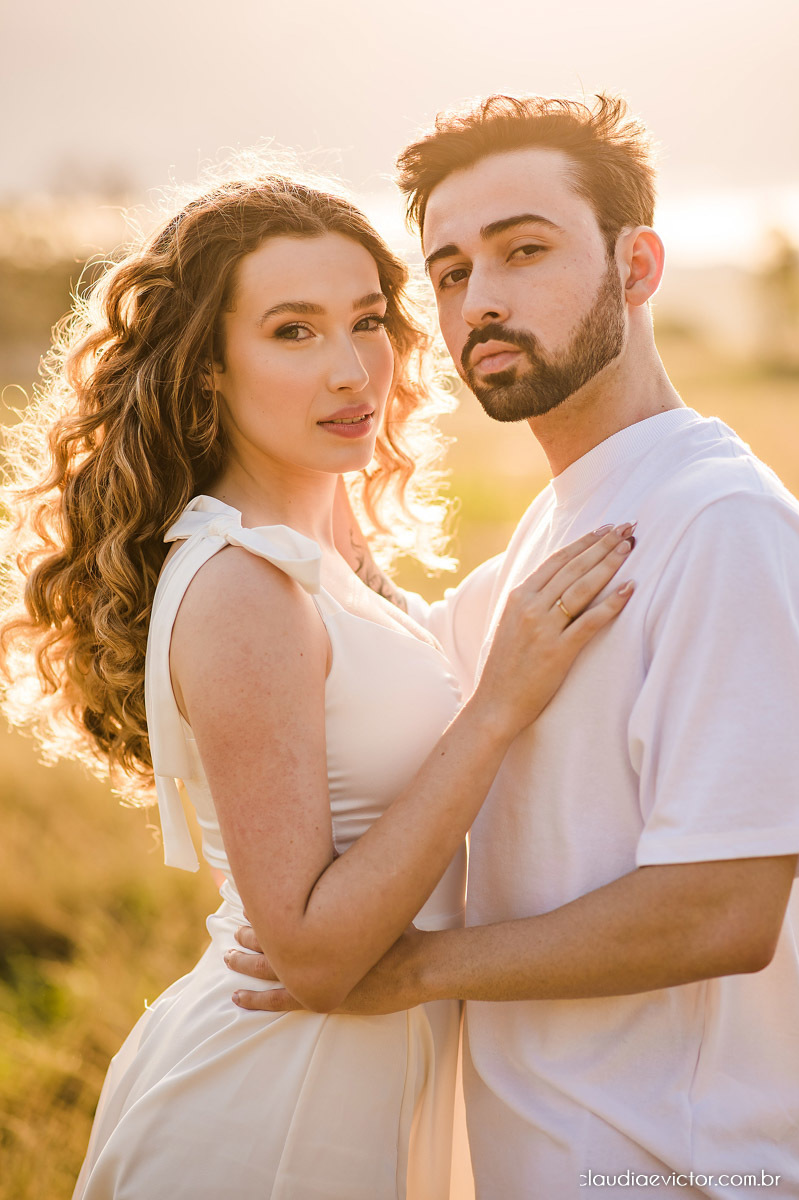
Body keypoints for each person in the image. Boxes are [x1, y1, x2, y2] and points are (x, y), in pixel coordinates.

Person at [0, 166, 636, 1199]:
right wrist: (497, 708)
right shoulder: (245, 584)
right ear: (208, 367)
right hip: (273, 1110)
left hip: (361, 1085)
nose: (352, 371)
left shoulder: (317, 546)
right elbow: (311, 957)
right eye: (293, 331)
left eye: (368, 322)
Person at [227, 97, 799, 1199]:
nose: (479, 301)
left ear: (637, 266)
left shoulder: (719, 523)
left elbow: (724, 908)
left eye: (523, 251)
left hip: (675, 1170)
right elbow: (388, 655)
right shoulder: (562, 524)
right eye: (448, 272)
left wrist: (410, 971)